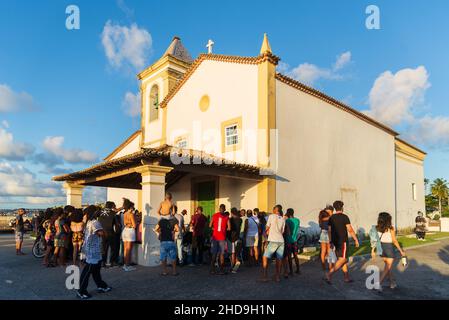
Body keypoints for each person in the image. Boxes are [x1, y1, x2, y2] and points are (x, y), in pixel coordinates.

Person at [77, 205, 111, 300]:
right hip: (92, 252)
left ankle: (102, 286)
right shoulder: (95, 222)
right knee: (87, 272)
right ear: (95, 213)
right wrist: (105, 230)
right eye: (98, 211)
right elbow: (101, 233)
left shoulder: (89, 222)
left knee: (96, 271)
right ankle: (81, 291)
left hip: (93, 250)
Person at [325, 201, 359, 284]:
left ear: (335, 208)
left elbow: (329, 231)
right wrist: (356, 239)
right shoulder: (345, 217)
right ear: (342, 208)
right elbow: (350, 229)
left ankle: (346, 278)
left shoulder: (331, 218)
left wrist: (330, 241)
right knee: (343, 259)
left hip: (335, 242)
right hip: (342, 242)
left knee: (342, 259)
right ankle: (329, 274)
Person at [375, 212, 406, 290]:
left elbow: (376, 240)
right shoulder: (391, 228)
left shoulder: (376, 227)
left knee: (388, 267)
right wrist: (401, 251)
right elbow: (394, 241)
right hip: (389, 248)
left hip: (381, 248)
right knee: (387, 268)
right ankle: (378, 283)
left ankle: (392, 283)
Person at [260, 205, 285, 282]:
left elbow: (267, 227)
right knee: (279, 259)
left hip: (273, 240)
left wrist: (265, 235)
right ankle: (277, 277)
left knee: (265, 257)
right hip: (281, 240)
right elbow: (282, 231)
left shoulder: (271, 216)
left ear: (275, 210)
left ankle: (264, 276)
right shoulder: (283, 219)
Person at [209, 204, 230, 275]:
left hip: (215, 237)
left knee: (214, 254)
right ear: (225, 209)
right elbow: (229, 228)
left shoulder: (214, 215)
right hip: (222, 237)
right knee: (222, 254)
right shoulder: (227, 217)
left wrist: (214, 229)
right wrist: (223, 229)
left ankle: (212, 270)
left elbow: (210, 225)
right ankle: (221, 270)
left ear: (219, 209)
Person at [98, 201, 118, 267]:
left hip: (101, 232)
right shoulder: (113, 213)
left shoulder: (100, 212)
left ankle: (102, 263)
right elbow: (116, 224)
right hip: (110, 232)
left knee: (103, 248)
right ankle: (112, 262)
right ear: (112, 206)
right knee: (113, 248)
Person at [283, 208, 301, 276]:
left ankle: (291, 271)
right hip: (295, 240)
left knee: (289, 256)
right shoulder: (297, 220)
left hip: (288, 240)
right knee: (296, 255)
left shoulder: (287, 221)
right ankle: (298, 269)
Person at [121, 199, 137, 272]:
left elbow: (125, 223)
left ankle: (125, 265)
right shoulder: (131, 214)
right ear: (131, 207)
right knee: (129, 250)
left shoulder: (124, 214)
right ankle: (127, 266)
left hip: (125, 231)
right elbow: (134, 225)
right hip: (130, 231)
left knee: (125, 249)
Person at [318, 207, 333, 271]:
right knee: (329, 251)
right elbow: (330, 229)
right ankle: (330, 266)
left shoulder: (320, 220)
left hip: (322, 234)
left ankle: (323, 266)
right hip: (328, 234)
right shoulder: (330, 219)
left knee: (323, 251)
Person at [228, 207, 242, 273]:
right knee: (235, 252)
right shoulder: (240, 219)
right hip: (237, 237)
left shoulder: (230, 219)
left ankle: (233, 267)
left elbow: (229, 229)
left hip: (232, 238)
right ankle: (235, 263)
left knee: (233, 253)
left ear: (231, 212)